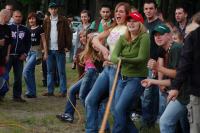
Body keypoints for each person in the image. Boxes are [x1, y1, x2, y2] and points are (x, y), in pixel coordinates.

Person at [85, 2, 130, 132]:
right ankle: (91, 130)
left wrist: (116, 59)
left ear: (127, 14)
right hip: (107, 69)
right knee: (90, 100)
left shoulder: (129, 29)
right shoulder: (113, 28)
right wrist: (104, 49)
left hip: (118, 70)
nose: (118, 14)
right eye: (116, 11)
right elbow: (94, 39)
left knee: (115, 108)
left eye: (121, 11)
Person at [141, 24, 190, 133]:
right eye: (155, 35)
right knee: (178, 125)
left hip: (187, 94)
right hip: (181, 93)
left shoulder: (176, 48)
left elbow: (178, 74)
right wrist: (151, 81)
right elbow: (173, 80)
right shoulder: (167, 50)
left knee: (166, 122)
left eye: (161, 34)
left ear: (169, 36)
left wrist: (158, 67)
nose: (157, 37)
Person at [110, 11, 150, 133]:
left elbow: (142, 58)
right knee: (119, 111)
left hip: (137, 79)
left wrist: (123, 59)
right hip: (123, 78)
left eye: (134, 21)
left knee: (120, 109)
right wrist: (119, 59)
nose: (131, 24)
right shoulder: (123, 37)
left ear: (140, 24)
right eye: (129, 21)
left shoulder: (144, 37)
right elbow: (113, 56)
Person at [56, 30, 103, 123]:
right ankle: (69, 115)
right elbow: (81, 64)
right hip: (87, 74)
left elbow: (99, 63)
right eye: (81, 37)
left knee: (84, 96)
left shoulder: (96, 48)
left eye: (87, 37)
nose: (84, 39)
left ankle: (94, 118)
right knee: (72, 91)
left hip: (93, 74)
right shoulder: (84, 48)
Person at [168, 14, 200, 133]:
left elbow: (184, 64)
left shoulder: (193, 35)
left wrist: (175, 86)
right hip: (194, 90)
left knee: (195, 127)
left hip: (195, 91)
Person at [42, 2, 72, 97]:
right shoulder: (46, 21)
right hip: (49, 50)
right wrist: (43, 48)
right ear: (49, 10)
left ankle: (63, 91)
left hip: (60, 49)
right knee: (50, 71)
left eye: (55, 8)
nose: (53, 10)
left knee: (61, 71)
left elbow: (68, 34)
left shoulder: (63, 20)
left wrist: (68, 46)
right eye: (51, 8)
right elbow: (43, 35)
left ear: (57, 9)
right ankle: (50, 91)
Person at [141, 0, 163, 129]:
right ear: (143, 10)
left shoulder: (159, 25)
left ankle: (147, 122)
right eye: (146, 9)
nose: (148, 11)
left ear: (155, 10)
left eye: (151, 8)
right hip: (142, 63)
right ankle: (149, 120)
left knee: (149, 95)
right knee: (145, 93)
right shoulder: (143, 25)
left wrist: (156, 65)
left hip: (154, 63)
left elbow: (161, 47)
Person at [6, 10, 31, 102]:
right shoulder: (8, 28)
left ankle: (16, 96)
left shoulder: (25, 30)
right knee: (4, 76)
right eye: (16, 16)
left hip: (19, 57)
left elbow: (28, 43)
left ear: (22, 17)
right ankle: (1, 94)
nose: (18, 18)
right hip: (8, 56)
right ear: (12, 17)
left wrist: (25, 54)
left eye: (20, 16)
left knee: (18, 77)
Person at [23, 12, 48, 98]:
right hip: (29, 52)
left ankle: (30, 91)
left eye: (33, 18)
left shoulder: (40, 29)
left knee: (25, 71)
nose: (31, 20)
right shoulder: (28, 29)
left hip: (36, 52)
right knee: (31, 72)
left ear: (36, 19)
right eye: (30, 19)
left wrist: (45, 53)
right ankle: (32, 93)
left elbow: (44, 41)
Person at [73, 10, 91, 78]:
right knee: (80, 71)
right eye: (82, 17)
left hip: (88, 49)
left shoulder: (92, 26)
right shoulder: (79, 27)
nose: (83, 18)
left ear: (88, 17)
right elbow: (77, 41)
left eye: (85, 17)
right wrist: (74, 54)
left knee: (88, 69)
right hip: (80, 50)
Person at [0, 9, 12, 101]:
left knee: (5, 77)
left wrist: (8, 55)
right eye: (9, 15)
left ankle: (1, 94)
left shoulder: (8, 29)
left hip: (3, 58)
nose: (10, 17)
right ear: (4, 15)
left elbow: (9, 44)